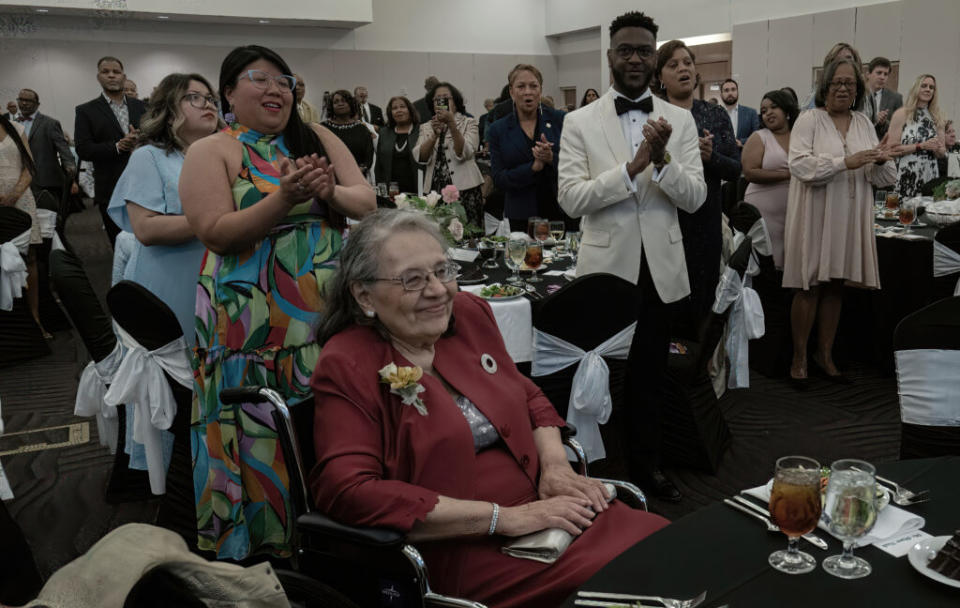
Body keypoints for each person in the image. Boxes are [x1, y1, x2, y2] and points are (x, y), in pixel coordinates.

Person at [309, 209, 669, 608]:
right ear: (364, 295)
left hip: (549, 508)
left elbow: (526, 393)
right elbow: (347, 491)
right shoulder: (347, 363)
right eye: (413, 279)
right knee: (626, 585)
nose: (438, 290)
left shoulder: (468, 314)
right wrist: (505, 518)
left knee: (665, 547)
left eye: (443, 270)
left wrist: (554, 467)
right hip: (464, 545)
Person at [179, 44, 376, 560]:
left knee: (325, 421)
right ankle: (265, 547)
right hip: (249, 323)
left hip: (322, 317)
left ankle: (333, 534)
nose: (275, 90)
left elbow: (366, 201)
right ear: (228, 92)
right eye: (258, 79)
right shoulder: (213, 150)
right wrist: (283, 198)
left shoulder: (317, 138)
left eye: (283, 81)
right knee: (259, 432)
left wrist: (328, 191)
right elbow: (216, 233)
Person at [557, 11, 706, 501]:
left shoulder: (681, 120)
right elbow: (571, 199)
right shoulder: (578, 122)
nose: (636, 58)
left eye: (644, 50)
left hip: (659, 270)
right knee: (596, 373)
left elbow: (695, 199)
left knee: (648, 376)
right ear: (610, 57)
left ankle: (645, 468)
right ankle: (590, 471)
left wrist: (660, 160)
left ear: (655, 58)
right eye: (626, 50)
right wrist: (630, 169)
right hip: (603, 269)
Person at [781, 58, 896, 381]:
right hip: (816, 211)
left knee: (835, 286)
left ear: (858, 90)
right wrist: (845, 162)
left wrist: (882, 160)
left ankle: (825, 355)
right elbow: (800, 166)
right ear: (825, 86)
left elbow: (882, 176)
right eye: (838, 83)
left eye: (850, 84)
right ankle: (799, 358)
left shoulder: (863, 122)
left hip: (849, 212)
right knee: (810, 284)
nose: (844, 88)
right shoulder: (809, 120)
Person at [107, 72, 220, 340]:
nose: (208, 105)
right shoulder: (149, 156)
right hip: (172, 277)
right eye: (194, 98)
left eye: (210, 99)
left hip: (217, 274)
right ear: (169, 111)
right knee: (181, 364)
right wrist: (219, 221)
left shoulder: (223, 157)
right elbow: (146, 228)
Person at [657, 41, 740, 332]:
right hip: (663, 219)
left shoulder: (714, 115)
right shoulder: (654, 116)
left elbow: (736, 168)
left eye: (688, 63)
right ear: (660, 77)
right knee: (664, 303)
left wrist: (710, 156)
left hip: (706, 220)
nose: (683, 69)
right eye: (673, 65)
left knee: (702, 301)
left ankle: (697, 367)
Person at [75, 56, 147, 247]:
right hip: (111, 188)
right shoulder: (86, 111)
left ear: (124, 76)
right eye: (106, 72)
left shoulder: (141, 107)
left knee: (147, 241)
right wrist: (117, 146)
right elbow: (83, 149)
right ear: (98, 77)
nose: (111, 76)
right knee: (120, 244)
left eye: (116, 72)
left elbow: (156, 138)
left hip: (144, 184)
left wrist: (140, 140)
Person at [487, 64, 569, 231]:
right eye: (521, 86)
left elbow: (577, 164)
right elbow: (499, 179)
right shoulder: (498, 130)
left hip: (560, 211)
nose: (528, 92)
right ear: (511, 91)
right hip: (521, 215)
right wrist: (533, 167)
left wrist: (551, 158)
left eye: (533, 86)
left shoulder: (561, 120)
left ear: (540, 90)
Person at [0, 113, 48, 336]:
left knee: (29, 258)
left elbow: (29, 167)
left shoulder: (16, 129)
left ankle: (35, 319)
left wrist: (15, 193)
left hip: (21, 198)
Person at [413, 81, 484, 228]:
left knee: (468, 235)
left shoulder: (469, 122)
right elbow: (420, 157)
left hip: (465, 191)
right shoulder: (426, 127)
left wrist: (451, 124)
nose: (441, 102)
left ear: (456, 102)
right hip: (435, 192)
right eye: (437, 99)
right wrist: (434, 135)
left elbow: (466, 152)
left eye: (446, 98)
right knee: (438, 235)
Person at [742, 90, 800, 269]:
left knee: (792, 264)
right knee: (766, 265)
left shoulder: (801, 136)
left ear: (787, 110)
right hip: (764, 212)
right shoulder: (759, 137)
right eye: (764, 110)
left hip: (795, 209)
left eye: (774, 107)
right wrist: (787, 175)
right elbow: (750, 172)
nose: (768, 113)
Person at [886, 74, 947, 198]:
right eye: (924, 86)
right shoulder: (902, 114)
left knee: (926, 214)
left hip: (930, 177)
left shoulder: (937, 116)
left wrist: (938, 149)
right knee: (904, 214)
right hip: (906, 175)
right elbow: (891, 150)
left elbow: (942, 152)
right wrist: (921, 146)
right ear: (916, 88)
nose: (928, 89)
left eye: (931, 87)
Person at [15, 88, 76, 203]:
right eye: (21, 99)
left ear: (37, 104)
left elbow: (63, 149)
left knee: (48, 217)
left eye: (28, 100)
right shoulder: (12, 124)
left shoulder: (50, 123)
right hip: (18, 180)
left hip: (45, 180)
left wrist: (70, 168)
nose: (23, 103)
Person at [321, 89, 374, 177]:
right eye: (336, 102)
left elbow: (368, 156)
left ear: (351, 104)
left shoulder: (361, 129)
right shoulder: (323, 128)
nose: (340, 104)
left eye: (344, 101)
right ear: (331, 106)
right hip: (329, 177)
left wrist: (358, 171)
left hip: (357, 177)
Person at [374, 95, 420, 195]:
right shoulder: (384, 133)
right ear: (391, 113)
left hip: (418, 186)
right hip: (391, 189)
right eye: (394, 108)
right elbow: (379, 165)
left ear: (410, 110)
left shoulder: (421, 130)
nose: (399, 110)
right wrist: (381, 191)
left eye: (402, 107)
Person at [802, 42, 862, 110]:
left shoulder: (864, 95)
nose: (844, 63)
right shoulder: (817, 95)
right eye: (838, 59)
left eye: (848, 59)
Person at [863, 57, 903, 140]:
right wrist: (874, 120)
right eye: (879, 73)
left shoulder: (896, 98)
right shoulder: (858, 95)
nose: (882, 77)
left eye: (886, 74)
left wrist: (883, 122)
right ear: (868, 74)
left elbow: (900, 129)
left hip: (882, 146)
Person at [720, 78, 760, 153]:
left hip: (744, 157)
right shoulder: (715, 113)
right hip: (722, 159)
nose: (730, 93)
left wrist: (742, 142)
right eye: (726, 90)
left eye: (733, 89)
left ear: (738, 92)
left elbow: (757, 135)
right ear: (721, 94)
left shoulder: (751, 113)